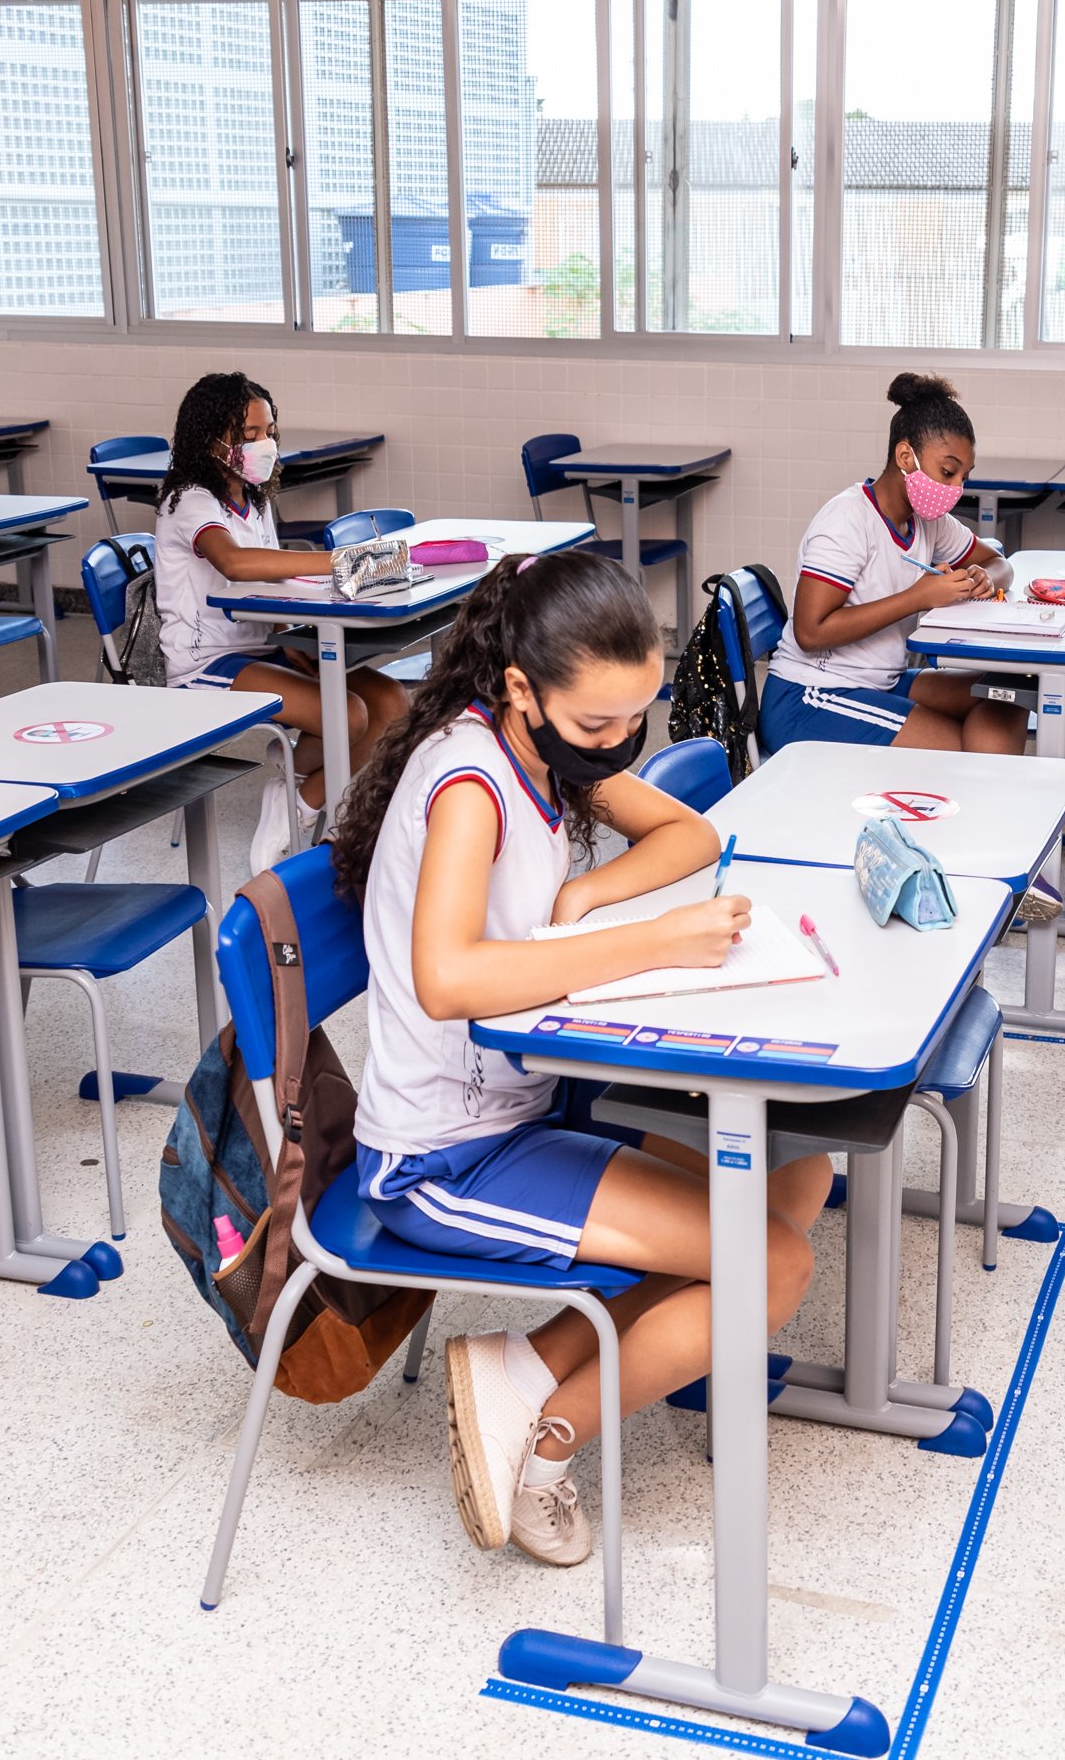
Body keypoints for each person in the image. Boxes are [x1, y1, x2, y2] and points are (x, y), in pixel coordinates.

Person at [327, 550, 823, 1567]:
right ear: (521, 687)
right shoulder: (470, 779)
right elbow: (449, 979)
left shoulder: (546, 751)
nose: (618, 742)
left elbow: (687, 834)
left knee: (794, 1167)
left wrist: (588, 897)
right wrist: (651, 939)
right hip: (440, 1156)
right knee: (772, 1261)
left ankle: (524, 1365)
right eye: (598, 724)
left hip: (527, 1108)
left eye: (634, 717)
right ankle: (543, 1447)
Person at [154, 370, 409, 854]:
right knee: (349, 714)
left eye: (269, 431)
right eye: (249, 434)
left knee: (394, 704)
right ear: (210, 439)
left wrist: (291, 638)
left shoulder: (253, 500)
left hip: (262, 648)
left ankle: (295, 791)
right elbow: (234, 561)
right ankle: (299, 794)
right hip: (207, 662)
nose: (264, 443)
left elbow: (272, 580)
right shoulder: (189, 499)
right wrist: (339, 563)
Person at [761, 372, 1027, 754]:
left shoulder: (926, 521)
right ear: (906, 457)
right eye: (947, 472)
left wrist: (983, 575)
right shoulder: (847, 521)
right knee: (953, 749)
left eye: (963, 478)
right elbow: (810, 631)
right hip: (809, 695)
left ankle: (987, 803)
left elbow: (998, 561)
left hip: (880, 679)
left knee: (1005, 700)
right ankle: (975, 797)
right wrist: (917, 598)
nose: (955, 490)